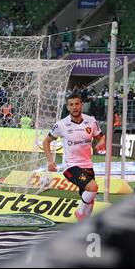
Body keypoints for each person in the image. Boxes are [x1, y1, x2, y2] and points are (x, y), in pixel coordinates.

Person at [43, 93, 106, 222]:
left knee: (90, 199)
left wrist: (101, 142)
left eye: (77, 104)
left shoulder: (91, 121)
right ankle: (79, 212)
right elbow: (46, 141)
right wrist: (50, 161)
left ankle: (83, 225)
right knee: (93, 187)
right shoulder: (61, 125)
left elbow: (101, 136)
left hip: (87, 164)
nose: (74, 107)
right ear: (67, 107)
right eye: (71, 105)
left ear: (81, 105)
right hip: (70, 166)